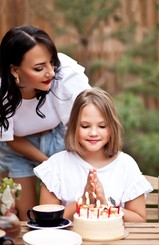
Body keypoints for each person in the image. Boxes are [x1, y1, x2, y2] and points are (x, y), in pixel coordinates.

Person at [0, 25, 91, 220]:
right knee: (27, 217)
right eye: (39, 68)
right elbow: (10, 138)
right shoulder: (2, 90)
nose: (50, 72)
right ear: (14, 70)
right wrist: (48, 163)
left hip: (61, 137)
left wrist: (66, 164)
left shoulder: (64, 74)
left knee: (65, 210)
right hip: (19, 146)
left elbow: (83, 123)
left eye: (52, 63)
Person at [34, 87, 153, 222]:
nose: (93, 133)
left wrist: (104, 203)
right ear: (74, 127)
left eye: (102, 126)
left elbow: (139, 219)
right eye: (85, 126)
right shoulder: (56, 165)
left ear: (112, 128)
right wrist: (84, 200)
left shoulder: (126, 165)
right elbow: (47, 221)